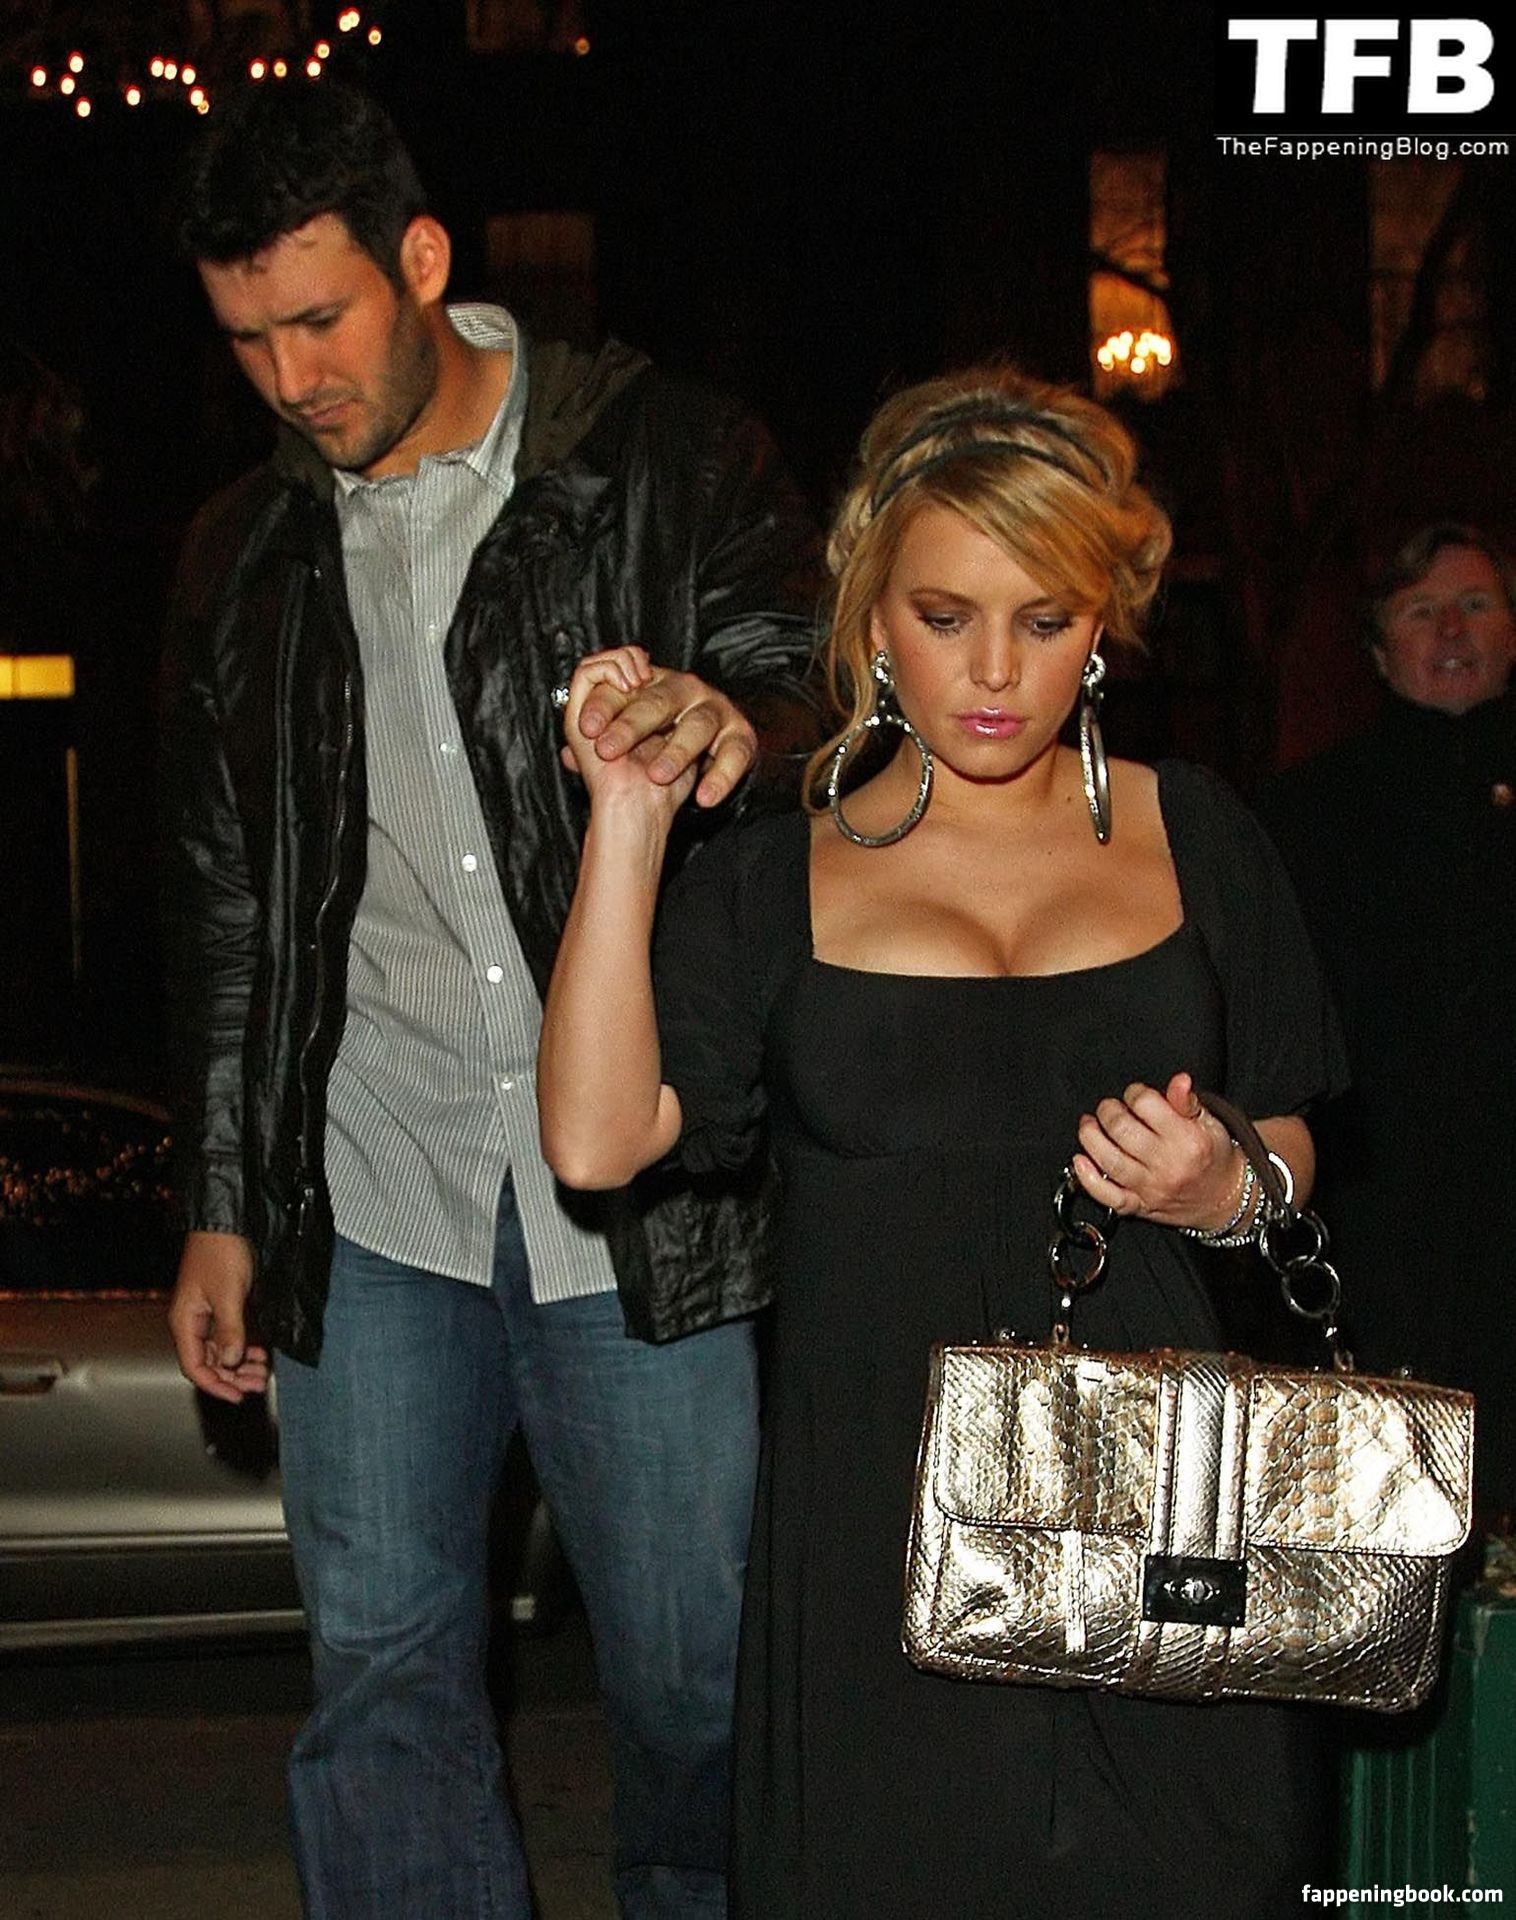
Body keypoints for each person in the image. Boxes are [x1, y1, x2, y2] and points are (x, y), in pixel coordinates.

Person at [538, 365, 1348, 1916]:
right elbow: (594, 1141)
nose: (992, 670)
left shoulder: (1197, 835)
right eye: (943, 614)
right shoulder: (771, 880)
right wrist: (626, 825)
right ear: (870, 620)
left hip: (1156, 1499)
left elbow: (1298, 1134)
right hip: (873, 1515)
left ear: (1101, 626)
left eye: (1044, 620)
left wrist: (1224, 1180)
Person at [158, 81, 819, 1920]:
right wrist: (221, 1196)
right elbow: (224, 902)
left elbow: (820, 690)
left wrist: (735, 723)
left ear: (424, 260)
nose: (291, 377)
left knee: (697, 1683)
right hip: (369, 1193)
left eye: (320, 319)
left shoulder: (664, 455)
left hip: (636, 1197)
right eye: (246, 339)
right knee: (380, 1683)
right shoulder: (239, 555)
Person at [1261, 523, 1516, 1524]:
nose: (1451, 629)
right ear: (1377, 650)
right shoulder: (1307, 813)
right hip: (1385, 1207)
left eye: (1476, 605)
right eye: (1421, 611)